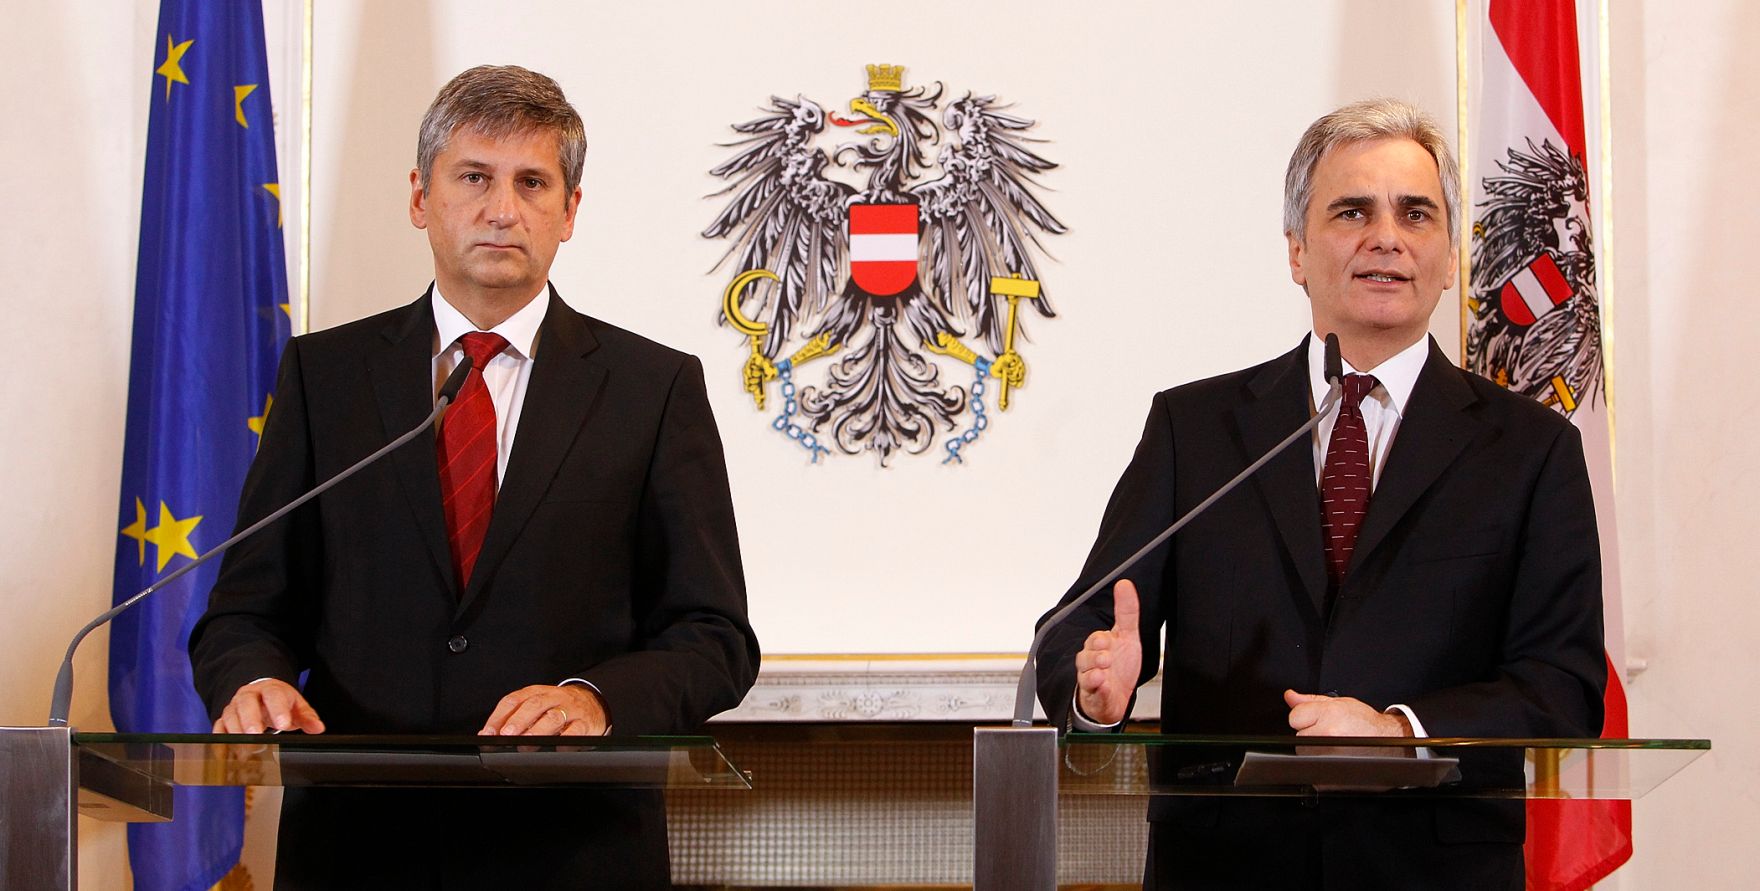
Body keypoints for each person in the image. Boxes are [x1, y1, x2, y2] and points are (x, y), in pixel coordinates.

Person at [189, 65, 760, 890]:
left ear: (569, 212)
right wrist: (254, 678)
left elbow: (716, 637)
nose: (503, 208)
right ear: (422, 197)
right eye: (475, 178)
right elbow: (243, 611)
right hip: (358, 853)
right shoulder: (327, 377)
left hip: (575, 854)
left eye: (533, 183)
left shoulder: (653, 388)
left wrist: (594, 697)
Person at [1034, 99, 1606, 889]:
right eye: (1352, 211)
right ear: (1298, 251)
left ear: (1446, 258)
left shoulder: (1532, 449)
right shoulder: (1195, 429)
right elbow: (1080, 623)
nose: (1387, 237)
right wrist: (1096, 691)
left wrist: (1398, 731)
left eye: (1416, 214)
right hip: (1226, 865)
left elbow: (1562, 684)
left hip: (1433, 870)